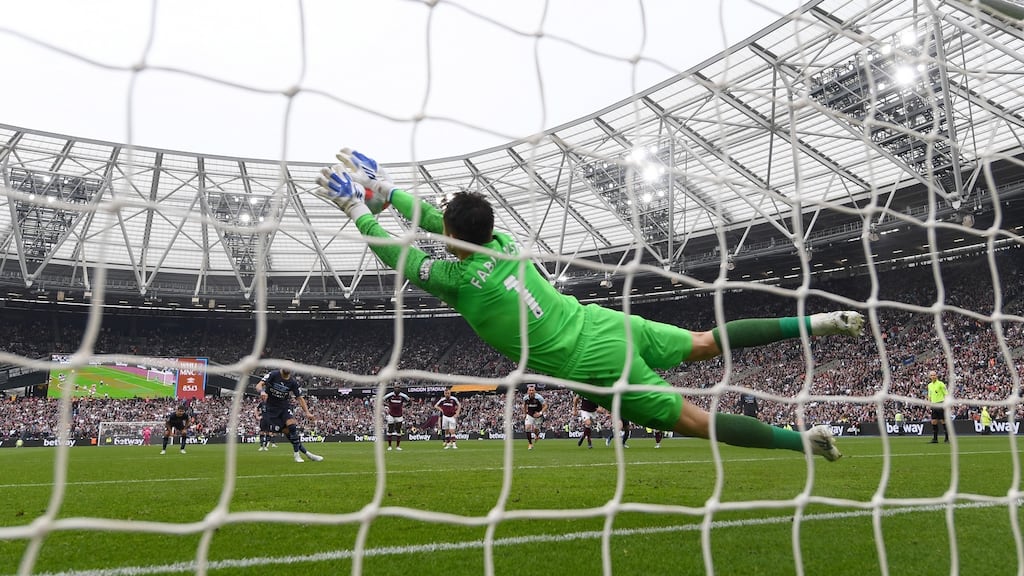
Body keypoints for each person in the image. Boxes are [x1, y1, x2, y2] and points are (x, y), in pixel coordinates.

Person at [313, 149, 867, 462]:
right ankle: (820, 320)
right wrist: (389, 194)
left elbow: (396, 254)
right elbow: (439, 222)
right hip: (601, 322)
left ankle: (806, 443)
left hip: (593, 365)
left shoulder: (460, 282)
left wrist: (360, 211)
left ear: (457, 236)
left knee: (698, 421)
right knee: (704, 343)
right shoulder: (502, 242)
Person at [256, 367, 323, 462]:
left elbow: (300, 398)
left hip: (284, 408)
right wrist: (262, 391)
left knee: (292, 427)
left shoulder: (293, 382)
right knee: (290, 435)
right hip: (271, 410)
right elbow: (259, 385)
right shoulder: (273, 375)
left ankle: (297, 455)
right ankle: (308, 454)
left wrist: (307, 412)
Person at [382, 385, 411, 451]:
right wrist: (387, 405)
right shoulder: (390, 395)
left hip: (399, 415)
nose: (397, 389)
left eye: (398, 387)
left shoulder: (403, 396)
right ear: (393, 388)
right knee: (390, 430)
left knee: (398, 430)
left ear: (400, 389)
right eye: (396, 387)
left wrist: (404, 406)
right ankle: (389, 446)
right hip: (391, 415)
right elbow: (382, 400)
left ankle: (398, 446)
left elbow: (409, 401)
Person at [926, 370, 950, 444]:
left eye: (934, 375)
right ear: (930, 377)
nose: (933, 376)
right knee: (934, 421)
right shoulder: (929, 385)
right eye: (931, 375)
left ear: (936, 376)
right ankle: (935, 439)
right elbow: (929, 395)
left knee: (943, 421)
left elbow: (946, 394)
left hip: (940, 404)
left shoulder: (940, 384)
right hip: (934, 405)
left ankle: (947, 438)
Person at [523, 384, 546, 450]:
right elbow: (524, 405)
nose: (531, 391)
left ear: (535, 391)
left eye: (532, 390)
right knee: (527, 427)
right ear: (528, 391)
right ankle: (530, 444)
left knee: (536, 430)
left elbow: (545, 406)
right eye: (530, 390)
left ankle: (537, 435)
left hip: (538, 415)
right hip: (530, 414)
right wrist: (525, 413)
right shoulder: (525, 398)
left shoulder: (539, 398)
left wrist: (540, 413)